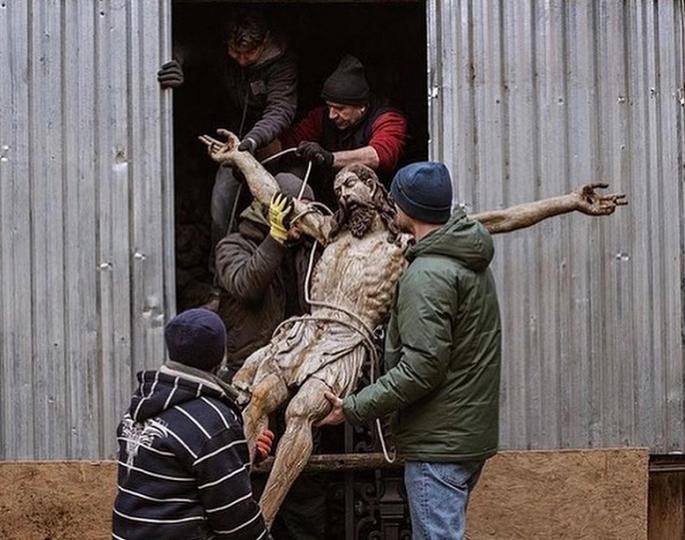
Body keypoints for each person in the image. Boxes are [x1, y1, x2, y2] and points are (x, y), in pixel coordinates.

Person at [316, 162, 500, 539]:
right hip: (462, 437)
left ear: (409, 208)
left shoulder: (428, 274)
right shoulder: (467, 258)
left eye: (396, 199)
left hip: (439, 445)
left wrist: (353, 407)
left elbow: (421, 368)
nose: (392, 206)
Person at [214, 173, 327, 540]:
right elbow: (246, 285)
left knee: (303, 483)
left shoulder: (306, 250)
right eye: (297, 215)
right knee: (247, 475)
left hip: (298, 380)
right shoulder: (232, 246)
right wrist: (276, 238)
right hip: (252, 385)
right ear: (271, 211)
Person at [112, 308, 273, 540]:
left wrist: (238, 454)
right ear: (219, 356)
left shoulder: (142, 403)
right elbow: (236, 522)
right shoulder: (212, 420)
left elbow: (170, 474)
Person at [159, 10, 298, 268]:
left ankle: (277, 271)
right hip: (233, 140)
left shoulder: (281, 63)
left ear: (265, 42)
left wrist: (251, 142)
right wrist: (176, 61)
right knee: (221, 202)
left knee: (278, 204)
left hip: (269, 141)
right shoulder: (223, 50)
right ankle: (220, 268)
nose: (242, 61)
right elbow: (189, 45)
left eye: (249, 54)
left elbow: (280, 110)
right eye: (236, 53)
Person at [279, 54, 408, 208]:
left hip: (378, 204)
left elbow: (380, 154)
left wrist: (330, 158)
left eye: (340, 108)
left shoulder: (388, 119)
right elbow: (288, 143)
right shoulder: (322, 117)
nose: (331, 115)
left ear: (361, 106)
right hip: (330, 202)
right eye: (329, 106)